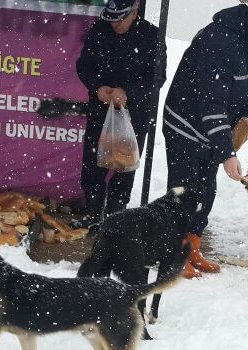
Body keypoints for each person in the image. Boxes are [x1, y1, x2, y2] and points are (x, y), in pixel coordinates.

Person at [162, 1, 248, 278]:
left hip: (214, 128)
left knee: (205, 192)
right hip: (186, 123)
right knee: (184, 192)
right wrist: (227, 153)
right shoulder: (219, 41)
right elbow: (211, 101)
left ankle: (193, 247)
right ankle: (175, 253)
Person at [73, 0, 165, 227]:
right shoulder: (99, 30)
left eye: (121, 19)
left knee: (125, 164)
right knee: (92, 163)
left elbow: (157, 77)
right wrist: (97, 87)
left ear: (134, 13)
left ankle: (116, 216)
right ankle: (93, 214)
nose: (116, 24)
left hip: (134, 113)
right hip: (100, 108)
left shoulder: (151, 35)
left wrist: (128, 92)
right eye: (112, 19)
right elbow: (83, 65)